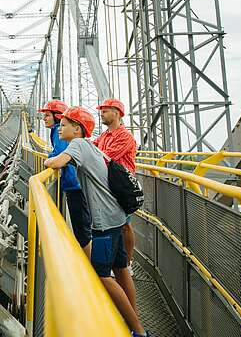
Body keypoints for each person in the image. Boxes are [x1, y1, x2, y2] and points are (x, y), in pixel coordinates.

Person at [43, 106, 148, 337]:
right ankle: (134, 319)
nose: (60, 127)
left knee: (102, 274)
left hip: (104, 223)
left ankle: (138, 331)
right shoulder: (92, 146)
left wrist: (47, 162)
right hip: (117, 217)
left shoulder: (78, 145)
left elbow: (57, 162)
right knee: (121, 269)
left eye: (65, 124)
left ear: (77, 128)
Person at [94, 98, 138, 310]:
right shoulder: (103, 136)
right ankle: (121, 263)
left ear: (117, 113)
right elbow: (94, 151)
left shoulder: (124, 136)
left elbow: (104, 158)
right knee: (121, 226)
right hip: (110, 188)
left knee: (125, 225)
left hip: (122, 189)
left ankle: (126, 264)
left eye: (105, 110)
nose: (101, 113)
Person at [38, 101, 92, 256]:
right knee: (83, 227)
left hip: (75, 186)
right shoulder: (58, 132)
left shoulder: (57, 132)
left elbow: (61, 155)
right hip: (75, 185)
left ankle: (93, 271)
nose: (44, 119)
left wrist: (49, 159)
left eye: (47, 115)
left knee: (82, 230)